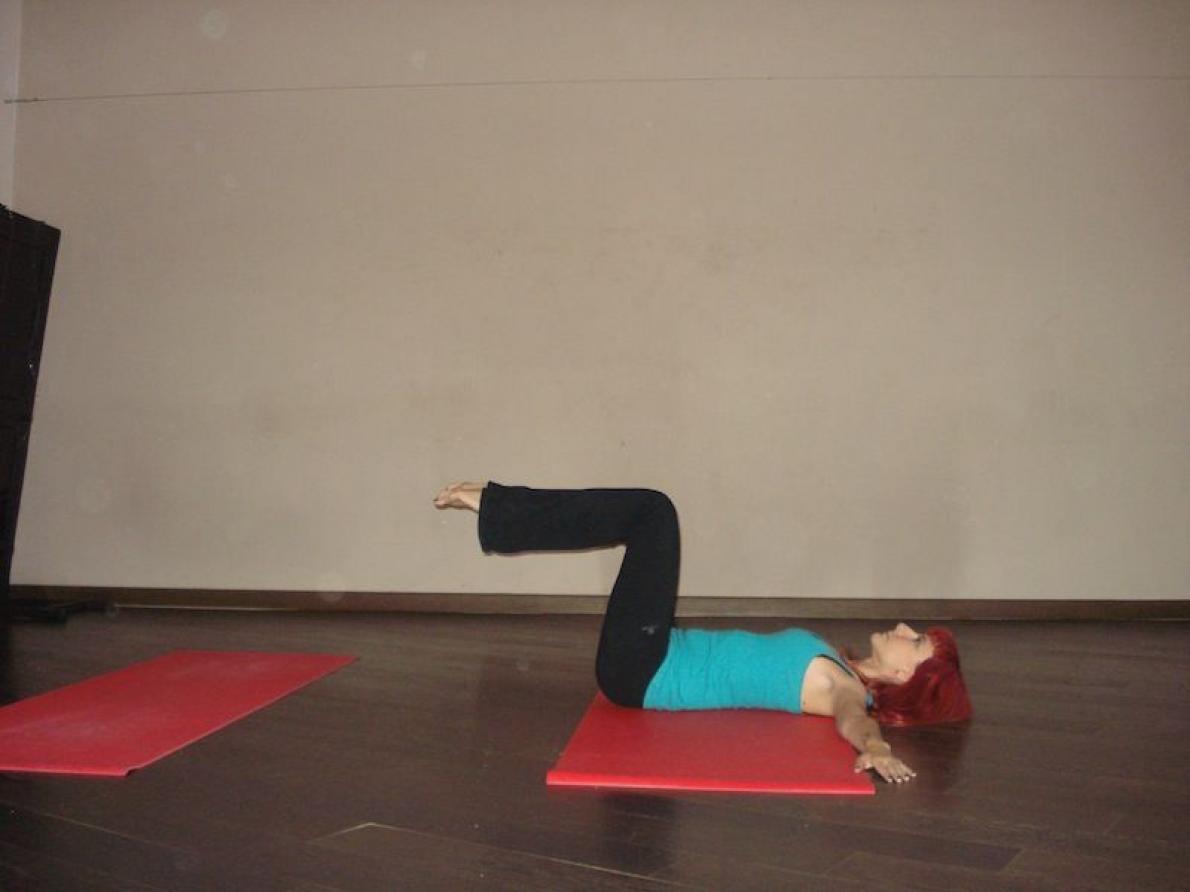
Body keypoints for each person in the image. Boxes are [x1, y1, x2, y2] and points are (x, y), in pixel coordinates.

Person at [434, 481, 971, 784]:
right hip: (654, 651)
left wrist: (875, 747)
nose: (905, 628)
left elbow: (853, 719)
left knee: (654, 512)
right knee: (651, 515)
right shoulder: (838, 664)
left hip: (644, 667)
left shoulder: (847, 689)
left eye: (916, 641)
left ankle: (499, 511)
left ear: (905, 676)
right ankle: (502, 511)